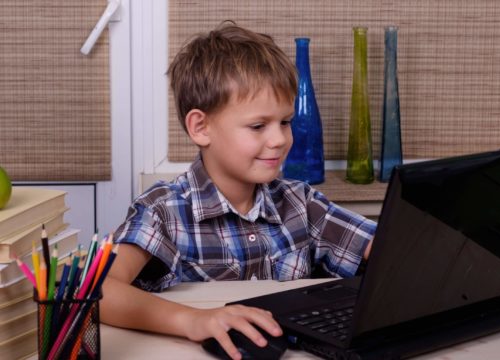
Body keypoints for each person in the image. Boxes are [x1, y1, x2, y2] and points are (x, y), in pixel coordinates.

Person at [101, 21, 376, 360]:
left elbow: (388, 249)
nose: (279, 139)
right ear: (200, 127)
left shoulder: (300, 202)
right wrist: (193, 320)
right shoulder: (163, 212)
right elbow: (100, 290)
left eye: (285, 122)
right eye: (259, 125)